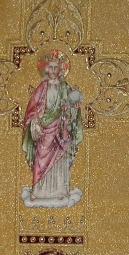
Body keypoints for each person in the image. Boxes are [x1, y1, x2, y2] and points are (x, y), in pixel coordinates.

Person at [21, 50, 83, 207]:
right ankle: (38, 190)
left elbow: (71, 106)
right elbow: (31, 110)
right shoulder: (41, 88)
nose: (54, 70)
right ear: (46, 69)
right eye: (51, 67)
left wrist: (74, 107)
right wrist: (35, 123)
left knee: (60, 158)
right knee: (40, 156)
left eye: (56, 67)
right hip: (44, 128)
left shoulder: (64, 87)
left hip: (61, 127)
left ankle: (60, 190)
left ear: (60, 69)